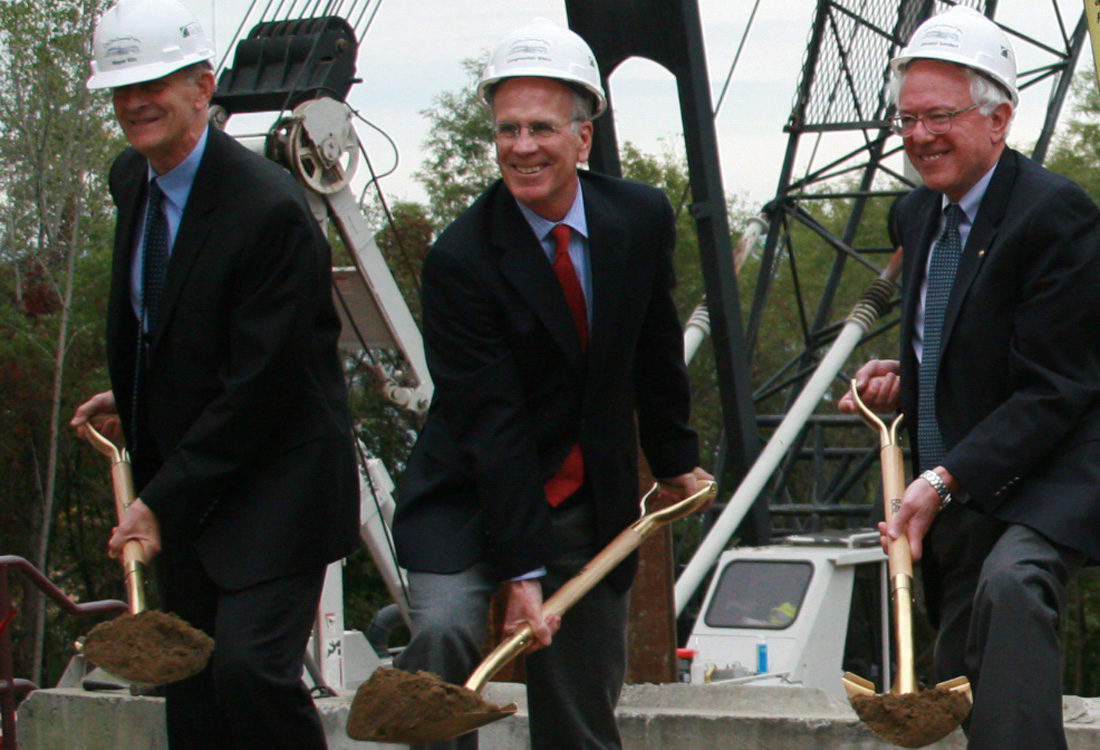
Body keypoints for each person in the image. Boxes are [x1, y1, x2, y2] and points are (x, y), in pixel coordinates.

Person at [391, 17, 712, 750]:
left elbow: (655, 348)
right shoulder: (462, 260)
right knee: (443, 638)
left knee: (578, 709)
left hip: (582, 497)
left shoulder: (638, 217)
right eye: (507, 131)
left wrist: (670, 462)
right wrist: (520, 573)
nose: (522, 148)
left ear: (584, 137)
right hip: (472, 489)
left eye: (540, 128)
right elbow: (492, 423)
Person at [70, 1, 360, 748]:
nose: (137, 103)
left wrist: (157, 501)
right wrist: (132, 403)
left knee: (251, 673)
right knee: (190, 688)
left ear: (203, 87)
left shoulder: (266, 209)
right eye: (122, 87)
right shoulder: (133, 182)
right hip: (199, 486)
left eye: (157, 83)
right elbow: (169, 326)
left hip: (276, 487)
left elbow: (260, 386)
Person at [839, 7, 1100, 749]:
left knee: (1013, 589)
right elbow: (961, 331)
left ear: (1000, 119)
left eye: (940, 117)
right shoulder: (919, 213)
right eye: (907, 118)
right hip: (967, 482)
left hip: (1054, 473)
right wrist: (904, 369)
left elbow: (1058, 385)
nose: (919, 136)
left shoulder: (1057, 215)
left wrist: (942, 480)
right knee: (958, 673)